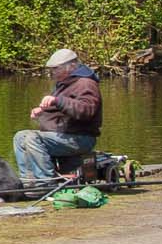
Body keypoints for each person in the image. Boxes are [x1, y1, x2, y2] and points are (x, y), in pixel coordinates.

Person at [13, 47, 102, 183]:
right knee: (20, 136)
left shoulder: (86, 83)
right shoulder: (64, 83)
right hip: (62, 136)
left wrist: (57, 100)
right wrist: (42, 110)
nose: (52, 72)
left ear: (71, 66)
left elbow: (86, 110)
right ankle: (29, 180)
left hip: (80, 138)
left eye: (56, 69)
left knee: (32, 138)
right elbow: (61, 106)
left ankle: (46, 182)